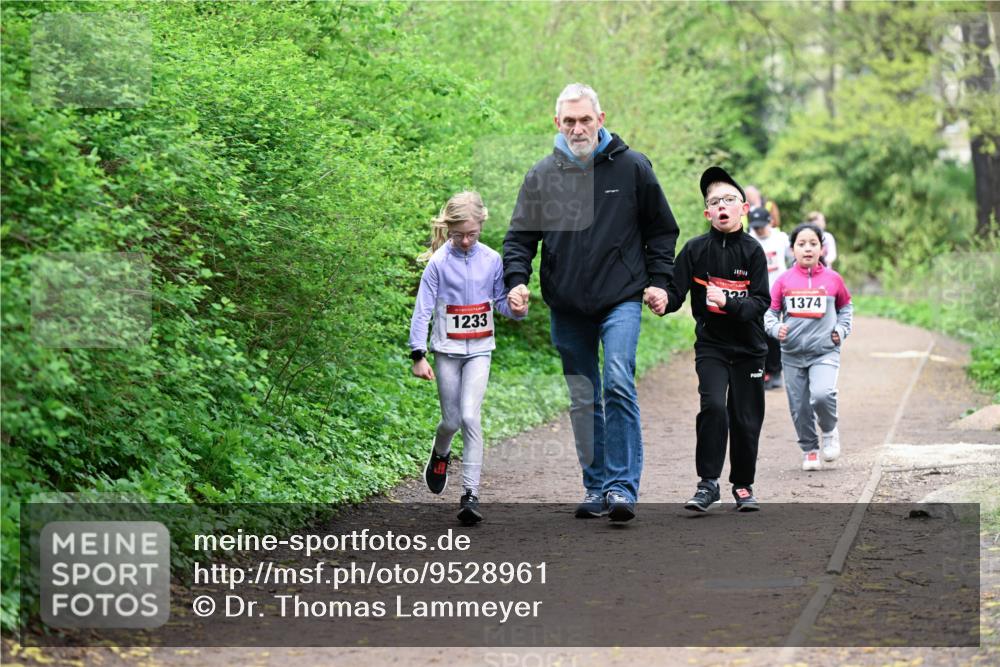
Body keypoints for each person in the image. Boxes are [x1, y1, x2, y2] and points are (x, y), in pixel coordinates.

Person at [503, 83, 679, 522]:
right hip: (567, 303)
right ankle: (596, 486)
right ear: (557, 123)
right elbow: (520, 239)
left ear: (601, 119)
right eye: (569, 121)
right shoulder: (541, 175)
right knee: (584, 396)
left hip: (621, 296)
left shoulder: (633, 167)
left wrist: (659, 282)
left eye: (585, 119)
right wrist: (516, 282)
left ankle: (621, 487)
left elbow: (661, 231)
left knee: (617, 378)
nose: (578, 128)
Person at [409, 191, 522, 524]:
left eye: (472, 234)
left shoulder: (491, 260)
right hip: (447, 351)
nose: (465, 241)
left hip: (480, 351)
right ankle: (441, 451)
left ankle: (470, 494)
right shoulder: (438, 263)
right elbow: (423, 311)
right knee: (452, 421)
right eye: (458, 235)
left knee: (471, 418)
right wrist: (419, 354)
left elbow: (501, 304)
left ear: (481, 227)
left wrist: (517, 307)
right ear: (448, 229)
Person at [663, 167, 770, 512]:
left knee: (744, 417)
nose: (722, 206)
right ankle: (708, 484)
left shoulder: (753, 252)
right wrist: (661, 299)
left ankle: (742, 485)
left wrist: (729, 302)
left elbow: (761, 302)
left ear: (742, 208)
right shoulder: (695, 250)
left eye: (729, 200)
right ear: (708, 213)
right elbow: (674, 293)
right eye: (714, 202)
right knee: (712, 407)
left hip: (749, 349)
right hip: (712, 345)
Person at [764, 222, 853, 472]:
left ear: (821, 248)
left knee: (822, 395)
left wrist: (841, 330)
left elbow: (846, 308)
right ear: (792, 249)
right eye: (801, 244)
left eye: (813, 244)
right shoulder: (783, 281)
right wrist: (774, 328)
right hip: (792, 354)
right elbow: (770, 314)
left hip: (825, 350)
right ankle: (809, 450)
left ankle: (829, 431)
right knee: (799, 405)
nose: (807, 249)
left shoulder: (833, 279)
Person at [747, 206, 790, 390]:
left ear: (770, 223)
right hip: (757, 293)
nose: (759, 230)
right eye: (755, 227)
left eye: (762, 226)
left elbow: (793, 255)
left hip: (778, 292)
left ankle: (775, 372)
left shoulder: (781, 238)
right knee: (758, 333)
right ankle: (762, 372)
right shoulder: (749, 239)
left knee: (774, 333)